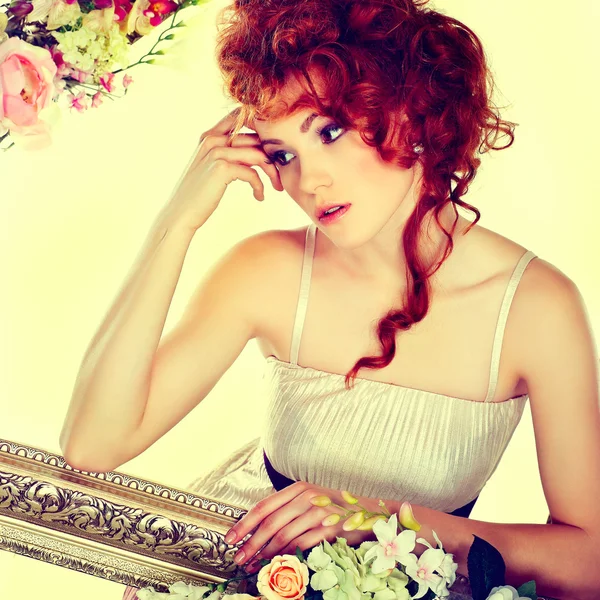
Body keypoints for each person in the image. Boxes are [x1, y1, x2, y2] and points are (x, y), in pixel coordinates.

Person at [60, 0, 599, 599]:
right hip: (226, 574)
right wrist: (176, 222)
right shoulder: (268, 270)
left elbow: (589, 559)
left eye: (330, 131)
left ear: (409, 109)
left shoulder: (535, 308)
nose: (307, 181)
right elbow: (92, 446)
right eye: (283, 155)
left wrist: (383, 522)